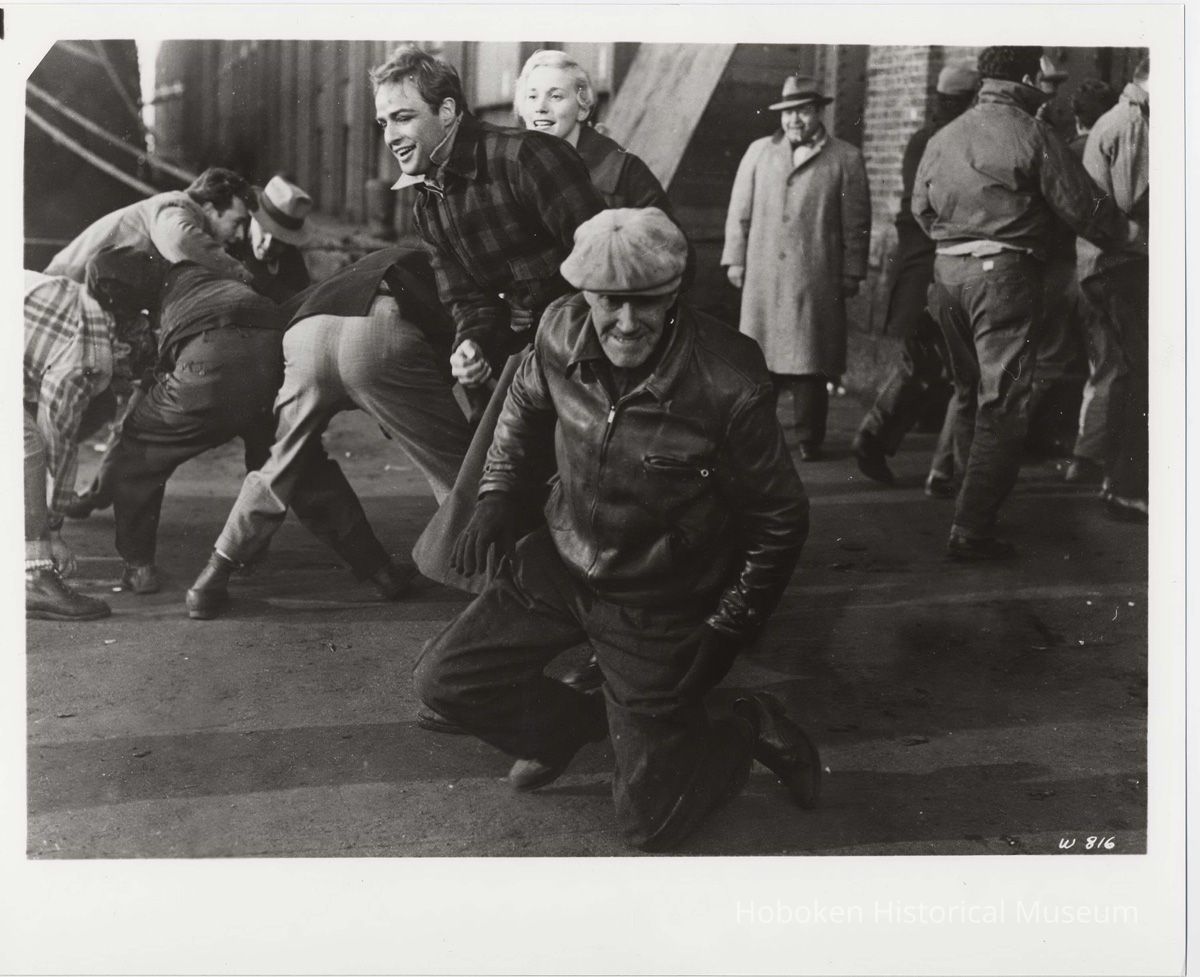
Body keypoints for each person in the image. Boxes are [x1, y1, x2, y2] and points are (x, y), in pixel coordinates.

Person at [414, 208, 817, 851]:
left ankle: (744, 727)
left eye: (646, 304)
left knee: (648, 829)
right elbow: (521, 405)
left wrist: (728, 627)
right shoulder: (557, 329)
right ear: (584, 296)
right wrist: (496, 492)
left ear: (673, 295)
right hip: (562, 559)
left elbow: (780, 518)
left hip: (657, 594)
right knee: (446, 683)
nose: (626, 324)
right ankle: (572, 728)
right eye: (609, 303)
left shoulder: (729, 379)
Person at [912, 46, 1144, 560]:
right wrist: (1132, 234)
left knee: (970, 391)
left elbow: (920, 208)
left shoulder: (944, 137)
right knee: (1004, 404)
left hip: (946, 276)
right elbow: (1083, 207)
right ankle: (971, 529)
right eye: (1040, 76)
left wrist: (958, 243)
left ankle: (964, 503)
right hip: (1004, 278)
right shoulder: (1032, 133)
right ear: (1023, 78)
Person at [97, 258, 415, 606]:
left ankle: (138, 567)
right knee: (299, 465)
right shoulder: (206, 273)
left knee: (139, 448)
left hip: (208, 357)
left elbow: (158, 370)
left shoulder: (170, 295)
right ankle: (380, 571)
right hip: (272, 355)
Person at [185, 246, 473, 619]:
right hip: (379, 331)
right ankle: (499, 579)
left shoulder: (355, 269)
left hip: (306, 335)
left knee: (279, 468)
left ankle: (211, 578)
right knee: (456, 465)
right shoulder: (439, 264)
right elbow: (445, 348)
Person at [65, 174, 317, 523]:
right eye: (243, 223)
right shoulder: (181, 216)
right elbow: (182, 243)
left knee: (132, 409)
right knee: (82, 412)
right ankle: (63, 505)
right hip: (82, 303)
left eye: (283, 239)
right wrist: (249, 280)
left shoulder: (258, 250)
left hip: (151, 322)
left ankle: (98, 494)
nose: (253, 237)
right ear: (214, 208)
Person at [722, 73, 871, 461]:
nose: (795, 121)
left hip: (815, 273)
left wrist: (852, 271)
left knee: (811, 362)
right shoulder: (758, 152)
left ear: (819, 112)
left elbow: (856, 223)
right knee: (760, 361)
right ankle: (758, 433)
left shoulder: (845, 158)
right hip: (764, 276)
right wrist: (735, 259)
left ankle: (809, 437)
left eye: (803, 112)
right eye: (789, 113)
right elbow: (739, 212)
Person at [851, 62, 979, 491]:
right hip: (937, 271)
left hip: (918, 272)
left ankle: (876, 439)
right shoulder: (950, 142)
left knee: (924, 362)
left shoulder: (923, 140)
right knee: (941, 366)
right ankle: (891, 445)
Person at [24, 248, 154, 619]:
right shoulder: (87, 354)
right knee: (27, 444)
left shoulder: (70, 292)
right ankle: (34, 579)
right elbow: (58, 442)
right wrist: (50, 533)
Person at [1076, 57, 1150, 521]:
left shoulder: (1125, 119)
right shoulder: (1131, 122)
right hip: (1122, 265)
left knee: (1128, 372)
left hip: (1113, 264)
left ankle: (1117, 481)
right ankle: (1125, 485)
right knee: (1141, 375)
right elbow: (1130, 205)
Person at [45, 167, 254, 285]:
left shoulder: (173, 209)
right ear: (208, 208)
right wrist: (242, 276)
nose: (240, 235)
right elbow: (180, 240)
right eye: (237, 222)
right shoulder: (175, 207)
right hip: (61, 288)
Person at [1062, 79, 1120, 486]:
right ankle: (1088, 456)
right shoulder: (1107, 148)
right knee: (1108, 366)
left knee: (1090, 364)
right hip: (1100, 267)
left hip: (1069, 271)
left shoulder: (1065, 151)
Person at [235, 174, 314, 303]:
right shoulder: (229, 244)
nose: (267, 245)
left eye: (279, 240)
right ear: (254, 216)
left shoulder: (293, 260)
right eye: (265, 230)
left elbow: (303, 300)